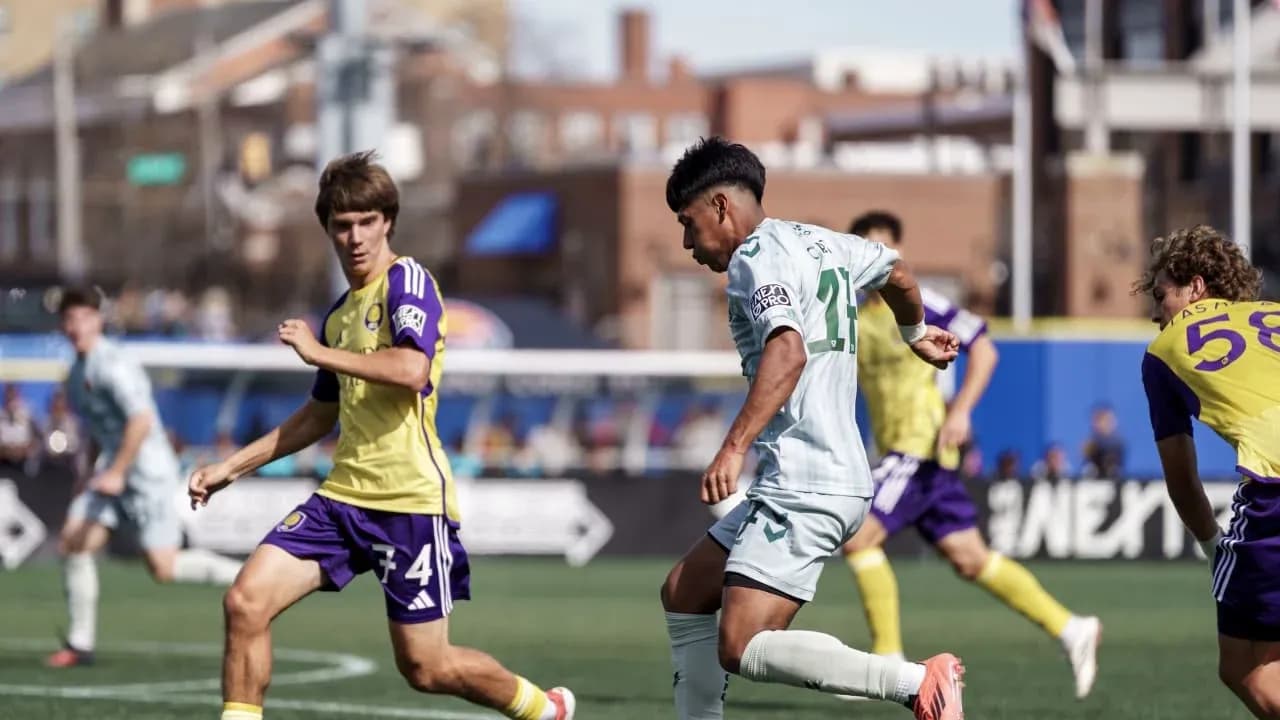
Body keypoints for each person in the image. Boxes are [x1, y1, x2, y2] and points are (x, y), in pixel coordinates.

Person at [187, 151, 574, 720]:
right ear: (328, 230)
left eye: (368, 221)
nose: (356, 237)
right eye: (342, 225)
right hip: (342, 501)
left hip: (409, 503)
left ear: (388, 221)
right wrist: (229, 468)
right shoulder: (340, 315)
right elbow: (318, 417)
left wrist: (320, 352)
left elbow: (413, 370)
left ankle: (544, 710)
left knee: (426, 668)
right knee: (245, 602)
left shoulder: (407, 281)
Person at [657, 137, 965, 720]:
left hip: (808, 480)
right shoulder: (823, 242)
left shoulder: (755, 259)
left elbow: (787, 352)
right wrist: (913, 333)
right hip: (820, 475)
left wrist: (732, 448)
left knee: (742, 644)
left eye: (688, 223)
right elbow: (896, 270)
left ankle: (917, 683)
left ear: (721, 207)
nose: (686, 243)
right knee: (685, 591)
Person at [838, 210, 1100, 699]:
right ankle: (1072, 628)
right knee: (971, 559)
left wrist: (960, 410)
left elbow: (985, 346)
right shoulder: (853, 316)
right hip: (915, 456)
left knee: (858, 540)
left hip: (917, 448)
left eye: (884, 248)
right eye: (866, 247)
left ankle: (890, 661)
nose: (876, 257)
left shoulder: (916, 301)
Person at [47, 287, 242, 668]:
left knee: (163, 568)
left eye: (84, 317)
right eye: (69, 319)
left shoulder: (113, 364)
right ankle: (79, 644)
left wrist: (118, 471)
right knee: (73, 540)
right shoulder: (76, 374)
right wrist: (90, 474)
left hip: (147, 475)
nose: (76, 326)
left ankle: (247, 575)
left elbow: (141, 421)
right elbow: (97, 430)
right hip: (112, 474)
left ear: (98, 320)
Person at [1136, 224, 1280, 719]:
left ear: (1196, 287)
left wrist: (1210, 543)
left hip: (1275, 487)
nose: (1158, 314)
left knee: (1244, 666)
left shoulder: (1163, 352)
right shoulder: (1276, 313)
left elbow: (1180, 475)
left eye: (1161, 296)